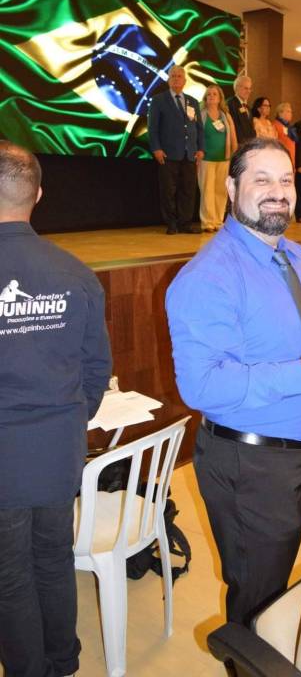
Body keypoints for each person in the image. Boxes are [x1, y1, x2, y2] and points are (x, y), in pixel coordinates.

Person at [166, 137, 301, 626]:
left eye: (285, 180)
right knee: (256, 601)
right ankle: (245, 657)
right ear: (231, 188)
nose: (278, 192)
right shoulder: (208, 277)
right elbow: (202, 387)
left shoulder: (298, 256)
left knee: (272, 583)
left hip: (299, 452)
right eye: (261, 180)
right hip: (251, 466)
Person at [0, 140, 111, 677]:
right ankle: (63, 661)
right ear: (39, 195)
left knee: (10, 576)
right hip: (58, 454)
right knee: (53, 558)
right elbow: (96, 370)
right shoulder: (77, 274)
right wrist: (68, 423)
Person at [148, 64, 204, 234]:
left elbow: (199, 128)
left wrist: (200, 148)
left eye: (180, 76)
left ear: (185, 81)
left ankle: (185, 223)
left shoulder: (192, 102)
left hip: (190, 154)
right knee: (168, 191)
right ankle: (171, 223)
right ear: (168, 80)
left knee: (188, 191)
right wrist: (156, 148)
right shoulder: (159, 100)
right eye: (173, 76)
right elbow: (153, 128)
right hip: (168, 153)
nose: (176, 79)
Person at [199, 84, 237, 232]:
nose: (211, 96)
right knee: (207, 191)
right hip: (206, 158)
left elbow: (233, 136)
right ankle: (208, 222)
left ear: (220, 98)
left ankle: (218, 221)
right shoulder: (201, 114)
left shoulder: (225, 115)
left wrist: (234, 153)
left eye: (214, 94)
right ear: (205, 98)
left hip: (224, 158)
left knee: (221, 191)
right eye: (209, 94)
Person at [227, 75, 255, 144]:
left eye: (250, 89)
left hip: (248, 145)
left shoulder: (247, 107)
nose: (249, 91)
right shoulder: (230, 104)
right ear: (237, 88)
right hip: (238, 145)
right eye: (246, 88)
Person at [273, 102, 296, 168]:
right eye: (288, 111)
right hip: (281, 160)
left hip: (291, 159)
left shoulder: (290, 127)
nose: (291, 114)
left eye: (291, 112)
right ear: (280, 113)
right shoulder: (275, 125)